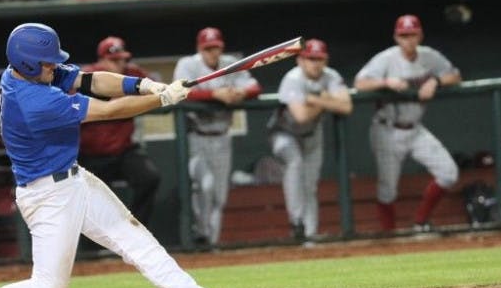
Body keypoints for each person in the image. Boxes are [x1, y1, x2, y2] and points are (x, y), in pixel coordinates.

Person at [0, 23, 243, 288]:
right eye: (47, 62)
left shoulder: (23, 71)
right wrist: (164, 99)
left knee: (137, 240)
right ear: (28, 63)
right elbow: (108, 111)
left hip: (75, 180)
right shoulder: (34, 101)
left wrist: (144, 86)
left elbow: (91, 80)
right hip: (48, 196)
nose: (54, 66)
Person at [353, 14, 461, 232]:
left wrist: (436, 80)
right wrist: (385, 82)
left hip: (415, 129)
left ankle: (420, 223)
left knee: (449, 173)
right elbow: (359, 83)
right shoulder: (386, 59)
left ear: (420, 35)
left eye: (412, 35)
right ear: (396, 37)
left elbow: (456, 76)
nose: (408, 40)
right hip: (387, 129)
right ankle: (390, 238)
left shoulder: (429, 57)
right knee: (388, 190)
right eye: (403, 35)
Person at [173, 27, 262, 246]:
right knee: (205, 185)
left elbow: (255, 86)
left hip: (222, 135)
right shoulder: (188, 64)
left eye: (216, 48)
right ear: (200, 49)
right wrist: (214, 94)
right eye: (208, 48)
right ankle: (200, 231)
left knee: (220, 196)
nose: (213, 52)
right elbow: (180, 91)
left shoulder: (230, 62)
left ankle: (211, 244)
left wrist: (241, 93)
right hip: (197, 136)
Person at [268, 39, 352, 243]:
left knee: (310, 185)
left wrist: (315, 100)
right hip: (284, 132)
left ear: (325, 60)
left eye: (319, 59)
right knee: (295, 165)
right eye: (310, 58)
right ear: (300, 60)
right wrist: (327, 102)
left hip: (312, 134)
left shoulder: (331, 76)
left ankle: (310, 235)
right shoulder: (292, 78)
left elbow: (347, 107)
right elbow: (301, 116)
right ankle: (297, 222)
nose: (315, 63)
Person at [78, 36, 162, 227]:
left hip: (124, 150)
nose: (119, 65)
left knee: (149, 178)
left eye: (122, 59)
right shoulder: (87, 77)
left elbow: (157, 84)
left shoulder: (132, 74)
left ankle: (137, 232)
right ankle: (94, 248)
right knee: (88, 198)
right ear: (101, 60)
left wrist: (165, 89)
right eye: (114, 60)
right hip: (90, 154)